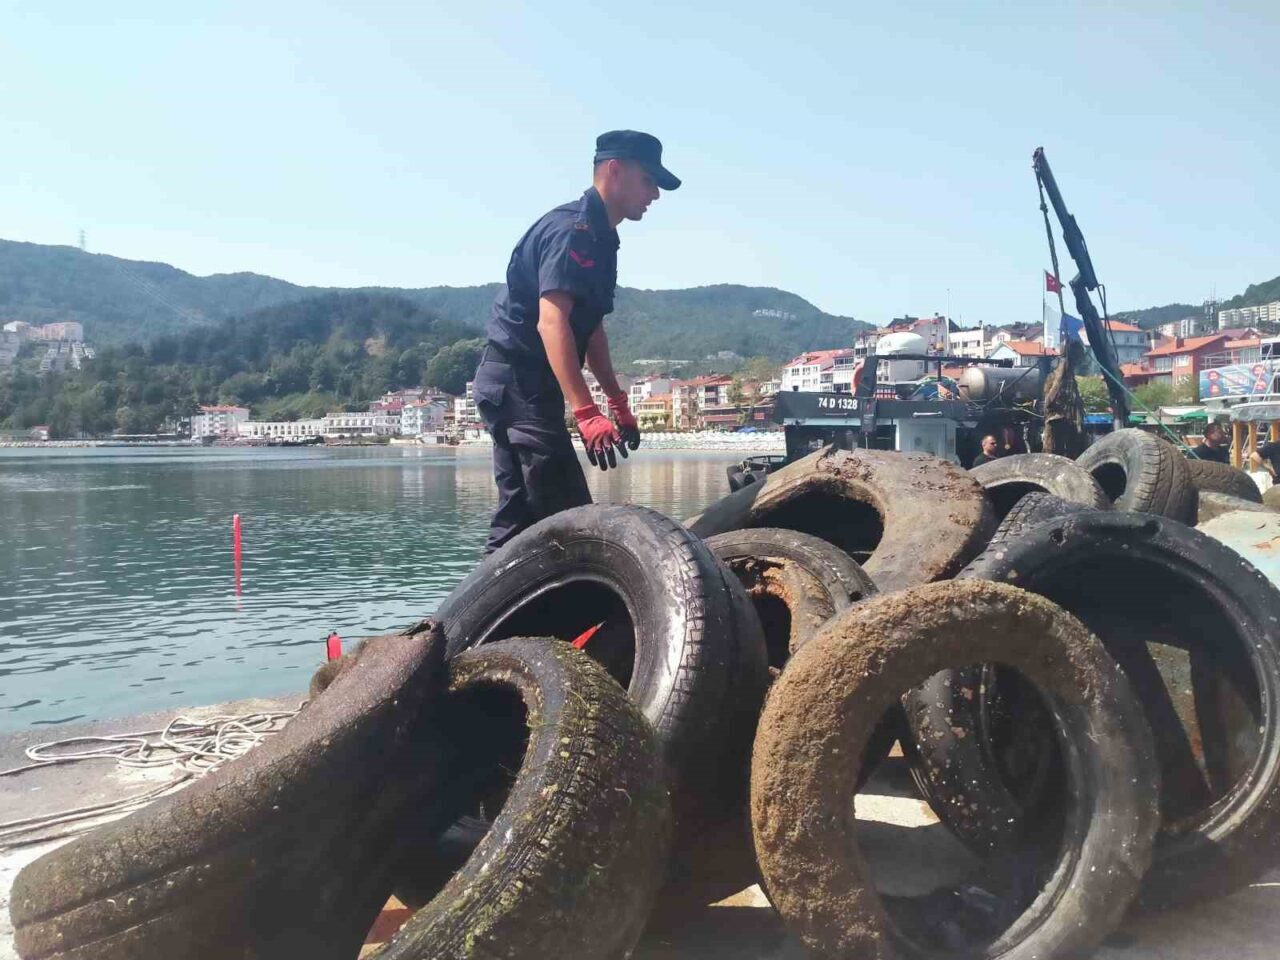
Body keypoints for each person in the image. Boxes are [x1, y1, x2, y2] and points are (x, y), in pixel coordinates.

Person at [472, 130, 680, 554]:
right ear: (614, 170)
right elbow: (552, 323)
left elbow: (592, 331)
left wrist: (617, 402)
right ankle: (582, 617)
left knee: (517, 523)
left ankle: (466, 620)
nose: (655, 194)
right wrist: (586, 413)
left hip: (528, 385)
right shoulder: (573, 231)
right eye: (648, 180)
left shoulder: (604, 238)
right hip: (515, 381)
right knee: (569, 519)